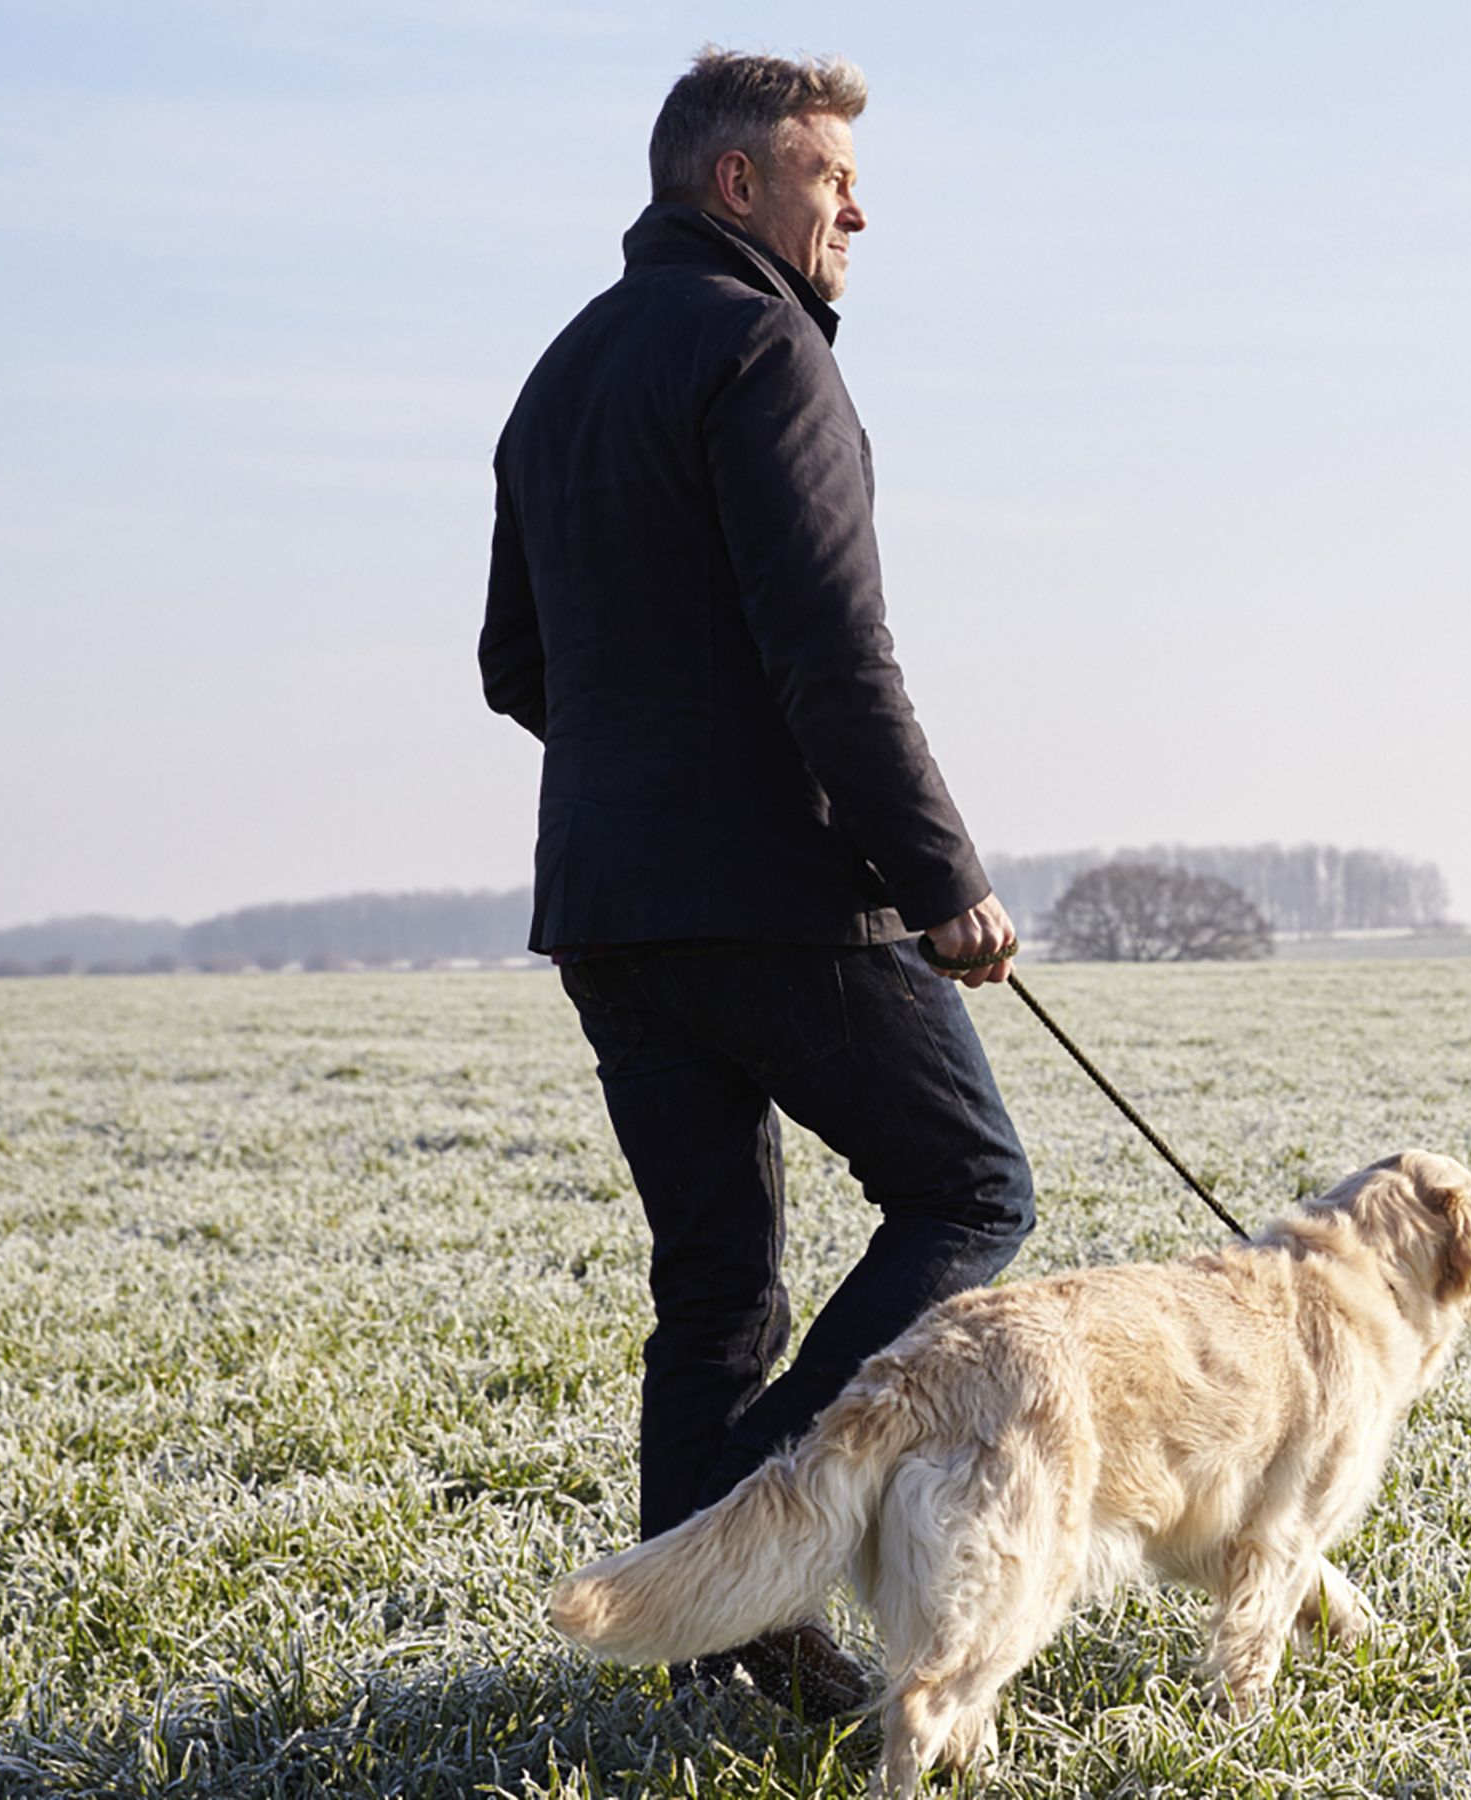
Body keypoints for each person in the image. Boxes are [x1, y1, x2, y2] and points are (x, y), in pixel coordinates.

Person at [479, 48, 1034, 1717]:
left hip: (602, 903)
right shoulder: (762, 345)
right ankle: (752, 1534)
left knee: (716, 1281)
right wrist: (944, 879)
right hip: (777, 895)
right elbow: (834, 658)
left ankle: (707, 1643)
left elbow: (517, 666)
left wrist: (645, 757)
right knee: (972, 1188)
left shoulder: (560, 371)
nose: (855, 203)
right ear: (737, 185)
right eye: (826, 171)